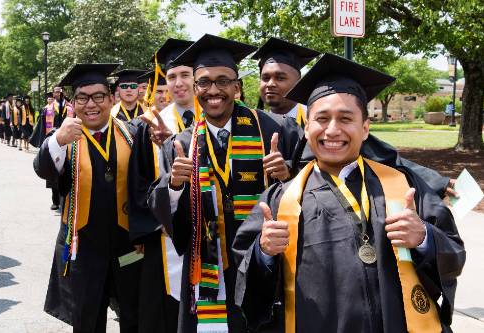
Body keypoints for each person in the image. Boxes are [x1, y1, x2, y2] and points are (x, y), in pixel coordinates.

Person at [233, 53, 466, 333]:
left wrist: (424, 238)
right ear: (307, 128)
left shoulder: (405, 185)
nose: (333, 130)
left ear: (365, 128)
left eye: (346, 118)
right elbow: (246, 272)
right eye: (322, 118)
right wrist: (264, 251)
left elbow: (455, 255)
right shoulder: (280, 200)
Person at [148, 34, 301, 333]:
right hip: (210, 265)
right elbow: (162, 209)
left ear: (237, 86)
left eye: (223, 81)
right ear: (195, 89)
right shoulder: (180, 144)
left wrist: (288, 177)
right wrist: (175, 187)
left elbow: (310, 188)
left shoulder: (275, 129)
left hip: (264, 256)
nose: (213, 90)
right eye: (204, 82)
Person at [34, 63, 143, 333]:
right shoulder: (65, 138)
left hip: (128, 248)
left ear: (111, 98)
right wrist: (58, 139)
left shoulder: (133, 134)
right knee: (87, 321)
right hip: (82, 249)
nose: (90, 104)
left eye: (98, 96)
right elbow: (43, 169)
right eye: (82, 97)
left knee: (134, 317)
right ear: (73, 103)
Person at [126, 38, 193, 333]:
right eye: (171, 76)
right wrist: (157, 220)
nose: (178, 84)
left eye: (185, 75)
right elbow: (138, 183)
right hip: (163, 238)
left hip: (212, 237)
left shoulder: (219, 122)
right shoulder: (149, 124)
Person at [252, 37, 319, 128]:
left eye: (280, 78)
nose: (270, 84)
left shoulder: (315, 121)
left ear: (298, 82)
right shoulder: (254, 125)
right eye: (266, 78)